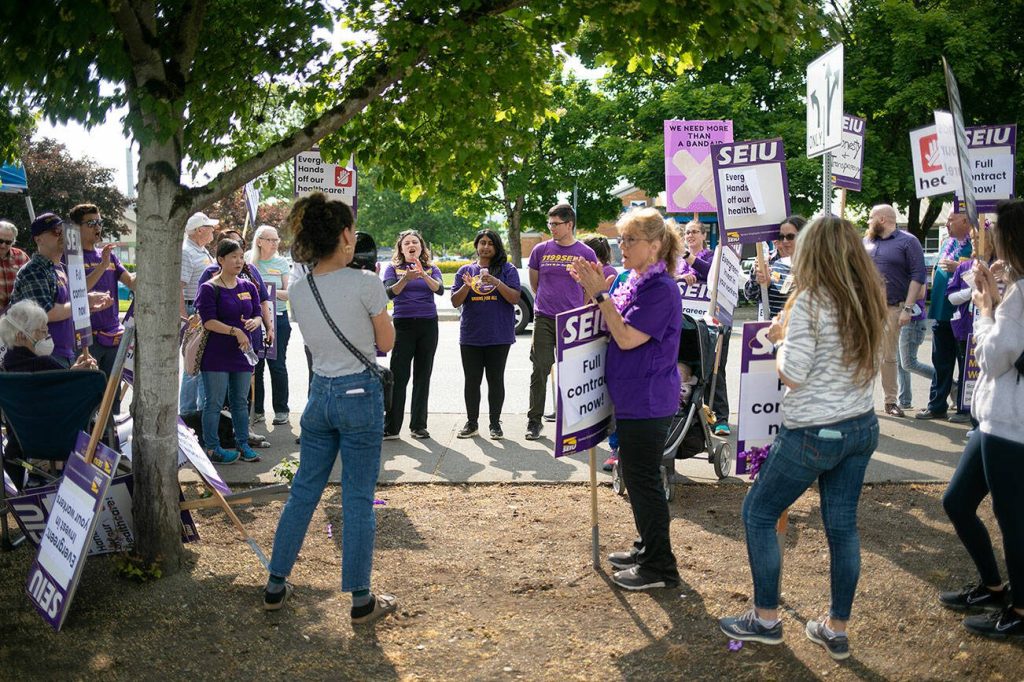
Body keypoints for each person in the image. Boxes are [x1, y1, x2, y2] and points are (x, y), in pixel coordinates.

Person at [719, 216, 887, 660]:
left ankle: (765, 620)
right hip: (860, 425)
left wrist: (779, 339)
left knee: (758, 512)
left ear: (813, 252)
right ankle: (836, 628)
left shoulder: (812, 299)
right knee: (842, 527)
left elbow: (792, 374)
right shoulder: (869, 295)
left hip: (814, 429)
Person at [264, 192, 398, 626]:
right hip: (359, 394)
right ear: (344, 235)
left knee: (304, 491)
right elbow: (386, 342)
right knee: (357, 498)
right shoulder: (366, 283)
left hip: (319, 394)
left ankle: (275, 583)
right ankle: (360, 598)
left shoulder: (299, 289)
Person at [570, 207, 683, 591]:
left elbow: (627, 337)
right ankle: (646, 547)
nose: (623, 246)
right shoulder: (633, 280)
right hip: (632, 396)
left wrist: (601, 294)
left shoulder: (661, 288)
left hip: (648, 400)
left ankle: (660, 567)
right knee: (635, 479)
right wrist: (595, 294)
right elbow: (607, 322)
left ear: (655, 245)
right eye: (620, 239)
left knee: (644, 481)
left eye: (630, 239)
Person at [939, 199, 1024, 639]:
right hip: (994, 420)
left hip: (1011, 425)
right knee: (956, 501)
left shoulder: (1020, 296)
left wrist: (986, 310)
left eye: (997, 234)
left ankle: (1020, 610)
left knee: (1013, 521)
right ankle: (993, 586)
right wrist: (996, 292)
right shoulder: (1018, 289)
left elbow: (992, 358)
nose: (992, 243)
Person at [525, 204, 597, 440]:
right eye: (550, 224)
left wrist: (579, 306)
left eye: (556, 224)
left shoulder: (586, 252)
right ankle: (534, 421)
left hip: (572, 320)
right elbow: (535, 284)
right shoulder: (540, 250)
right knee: (540, 367)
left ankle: (572, 423)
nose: (551, 228)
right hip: (544, 317)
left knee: (573, 373)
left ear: (569, 224)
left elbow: (591, 286)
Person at [10, 213, 112, 368]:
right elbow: (45, 313)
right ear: (38, 239)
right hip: (39, 356)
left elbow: (67, 307)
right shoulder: (33, 270)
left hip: (64, 353)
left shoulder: (61, 268)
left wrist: (89, 306)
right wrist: (84, 301)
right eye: (56, 232)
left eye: (63, 230)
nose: (62, 235)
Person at [195, 239, 262, 464]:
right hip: (216, 355)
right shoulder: (209, 288)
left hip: (242, 353)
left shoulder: (248, 286)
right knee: (214, 403)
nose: (239, 261)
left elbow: (257, 313)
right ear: (221, 260)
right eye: (233, 256)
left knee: (240, 401)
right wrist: (235, 331)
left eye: (241, 256)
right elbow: (208, 322)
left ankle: (243, 443)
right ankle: (213, 448)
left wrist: (255, 322)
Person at [451, 229, 521, 440]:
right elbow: (455, 301)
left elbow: (514, 298)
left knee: (495, 379)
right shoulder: (465, 270)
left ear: (497, 247)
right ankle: (472, 423)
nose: (486, 247)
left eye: (490, 243)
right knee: (472, 381)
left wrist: (496, 281)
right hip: (471, 335)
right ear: (476, 246)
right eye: (482, 242)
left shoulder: (507, 270)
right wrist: (467, 286)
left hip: (499, 335)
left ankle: (495, 424)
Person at [863, 204, 928, 418]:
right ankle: (862, 403)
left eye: (871, 217)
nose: (868, 221)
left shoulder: (908, 241)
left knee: (887, 356)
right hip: (867, 308)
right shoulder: (866, 242)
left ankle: (890, 402)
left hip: (893, 307)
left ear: (882, 219)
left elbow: (918, 276)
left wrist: (907, 308)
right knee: (865, 356)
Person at [382, 229, 444, 440]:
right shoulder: (393, 269)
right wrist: (405, 279)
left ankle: (418, 425)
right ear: (401, 248)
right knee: (399, 376)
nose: (411, 245)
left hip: (428, 325)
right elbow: (389, 293)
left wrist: (423, 274)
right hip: (403, 325)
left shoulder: (431, 268)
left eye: (415, 242)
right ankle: (391, 427)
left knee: (422, 376)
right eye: (407, 242)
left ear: (421, 247)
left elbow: (439, 289)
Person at [916, 212, 974, 421]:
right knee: (941, 361)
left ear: (965, 221)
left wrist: (959, 267)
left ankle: (965, 409)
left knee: (964, 363)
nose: (947, 223)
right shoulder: (947, 243)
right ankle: (937, 406)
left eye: (951, 219)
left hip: (962, 315)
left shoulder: (976, 243)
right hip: (941, 311)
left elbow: (980, 272)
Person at [677, 219, 731, 436]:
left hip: (711, 323)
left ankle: (721, 418)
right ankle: (690, 415)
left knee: (715, 369)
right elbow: (668, 276)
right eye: (687, 232)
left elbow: (711, 274)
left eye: (694, 232)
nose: (690, 235)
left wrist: (687, 257)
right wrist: (681, 276)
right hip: (686, 324)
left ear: (704, 235)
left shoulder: (711, 256)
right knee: (688, 368)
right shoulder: (678, 262)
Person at [72, 204, 136, 388]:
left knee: (112, 395)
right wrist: (102, 265)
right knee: (89, 394)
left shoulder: (108, 255)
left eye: (99, 222)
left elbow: (131, 282)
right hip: (86, 339)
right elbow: (78, 290)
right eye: (91, 223)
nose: (98, 227)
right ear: (77, 228)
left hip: (113, 335)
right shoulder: (71, 257)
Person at [248, 224, 291, 426]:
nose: (274, 244)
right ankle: (257, 410)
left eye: (276, 240)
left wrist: (267, 292)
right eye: (270, 240)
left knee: (277, 364)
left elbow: (287, 293)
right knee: (256, 365)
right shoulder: (248, 261)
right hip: (253, 320)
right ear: (259, 241)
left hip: (278, 318)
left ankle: (281, 410)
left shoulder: (281, 263)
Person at [180, 212, 217, 413]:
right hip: (192, 309)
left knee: (201, 362)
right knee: (192, 362)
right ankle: (187, 412)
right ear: (200, 230)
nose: (213, 230)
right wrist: (186, 318)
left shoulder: (202, 251)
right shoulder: (187, 252)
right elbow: (178, 287)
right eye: (210, 227)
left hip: (201, 309)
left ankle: (203, 411)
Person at [743, 215, 806, 318]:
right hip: (772, 325)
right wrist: (758, 281)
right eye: (781, 237)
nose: (784, 241)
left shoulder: (812, 264)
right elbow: (750, 296)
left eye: (790, 237)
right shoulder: (765, 261)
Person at [0, 220, 29, 312]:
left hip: (17, 314)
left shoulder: (21, 257)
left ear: (13, 242)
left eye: (8, 242)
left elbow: (30, 282)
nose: (3, 245)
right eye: (0, 241)